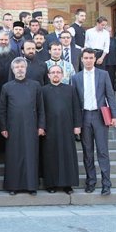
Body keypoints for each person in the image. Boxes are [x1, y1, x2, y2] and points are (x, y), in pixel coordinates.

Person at [72, 48, 116, 196]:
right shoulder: (76, 78)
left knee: (103, 151)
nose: (88, 60)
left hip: (100, 117)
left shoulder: (103, 75)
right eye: (85, 58)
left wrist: (114, 116)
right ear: (82, 59)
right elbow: (74, 102)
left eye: (91, 58)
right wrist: (76, 123)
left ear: (94, 59)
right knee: (87, 152)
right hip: (84, 116)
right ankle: (90, 182)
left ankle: (106, 184)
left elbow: (110, 96)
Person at [0, 57, 45, 195]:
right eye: (17, 67)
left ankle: (31, 186)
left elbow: (41, 108)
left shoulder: (35, 85)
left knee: (31, 156)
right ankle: (13, 187)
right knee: (14, 156)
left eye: (22, 67)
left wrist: (41, 126)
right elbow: (2, 109)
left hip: (31, 126)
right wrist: (3, 128)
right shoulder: (6, 87)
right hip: (13, 127)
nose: (20, 69)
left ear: (26, 69)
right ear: (13, 70)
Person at [40, 65, 82, 194]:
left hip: (67, 128)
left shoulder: (70, 89)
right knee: (50, 156)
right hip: (50, 129)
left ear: (62, 75)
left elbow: (76, 107)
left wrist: (77, 126)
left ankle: (67, 184)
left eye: (58, 72)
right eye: (53, 72)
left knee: (67, 156)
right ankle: (51, 184)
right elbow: (40, 110)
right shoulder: (43, 90)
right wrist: (41, 126)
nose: (55, 74)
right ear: (48, 75)